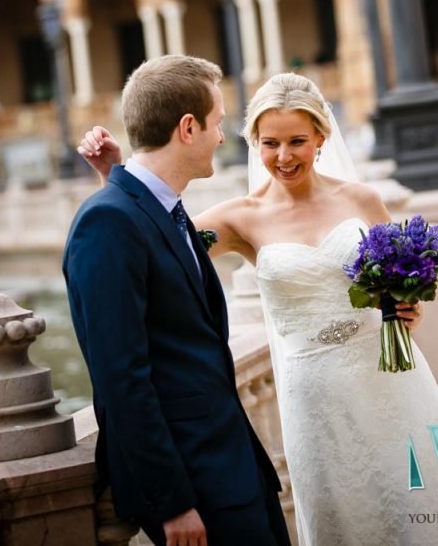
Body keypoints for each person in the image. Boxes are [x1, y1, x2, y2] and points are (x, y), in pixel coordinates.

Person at [80, 70, 438, 546]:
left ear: (322, 138)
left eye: (297, 141)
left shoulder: (363, 201)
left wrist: (408, 309)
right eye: (270, 143)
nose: (283, 157)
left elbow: (402, 288)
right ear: (254, 143)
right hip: (315, 400)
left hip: (389, 385)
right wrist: (111, 179)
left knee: (416, 517)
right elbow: (154, 244)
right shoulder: (237, 219)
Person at [64, 55, 291, 546]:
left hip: (232, 467)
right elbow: (121, 377)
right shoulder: (106, 222)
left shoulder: (157, 206)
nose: (222, 137)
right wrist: (172, 501)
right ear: (188, 128)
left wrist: (113, 176)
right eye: (217, 123)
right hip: (193, 488)